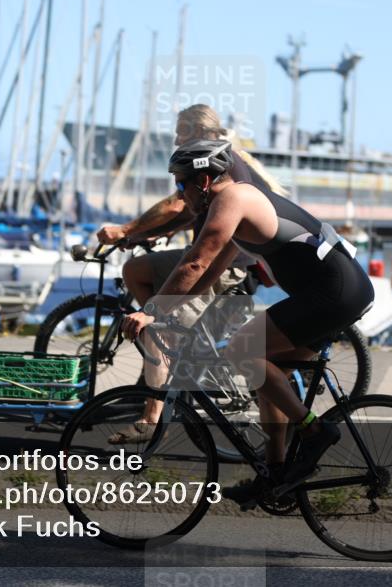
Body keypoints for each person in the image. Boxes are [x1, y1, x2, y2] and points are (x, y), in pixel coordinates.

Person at [121, 139, 375, 506]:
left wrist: (152, 311)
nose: (180, 193)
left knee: (243, 349)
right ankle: (276, 474)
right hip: (339, 291)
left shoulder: (233, 199)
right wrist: (174, 314)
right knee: (269, 377)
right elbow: (210, 271)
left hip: (334, 293)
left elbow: (194, 262)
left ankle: (316, 430)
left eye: (181, 183)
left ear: (204, 181)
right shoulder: (238, 204)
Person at [96, 104, 284, 443]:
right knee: (136, 270)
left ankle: (150, 422)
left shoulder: (215, 162)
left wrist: (125, 229)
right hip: (209, 253)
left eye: (183, 131)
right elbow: (195, 207)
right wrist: (146, 235)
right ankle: (172, 352)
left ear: (205, 134)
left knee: (157, 330)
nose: (176, 137)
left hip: (225, 264)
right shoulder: (216, 159)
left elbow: (177, 205)